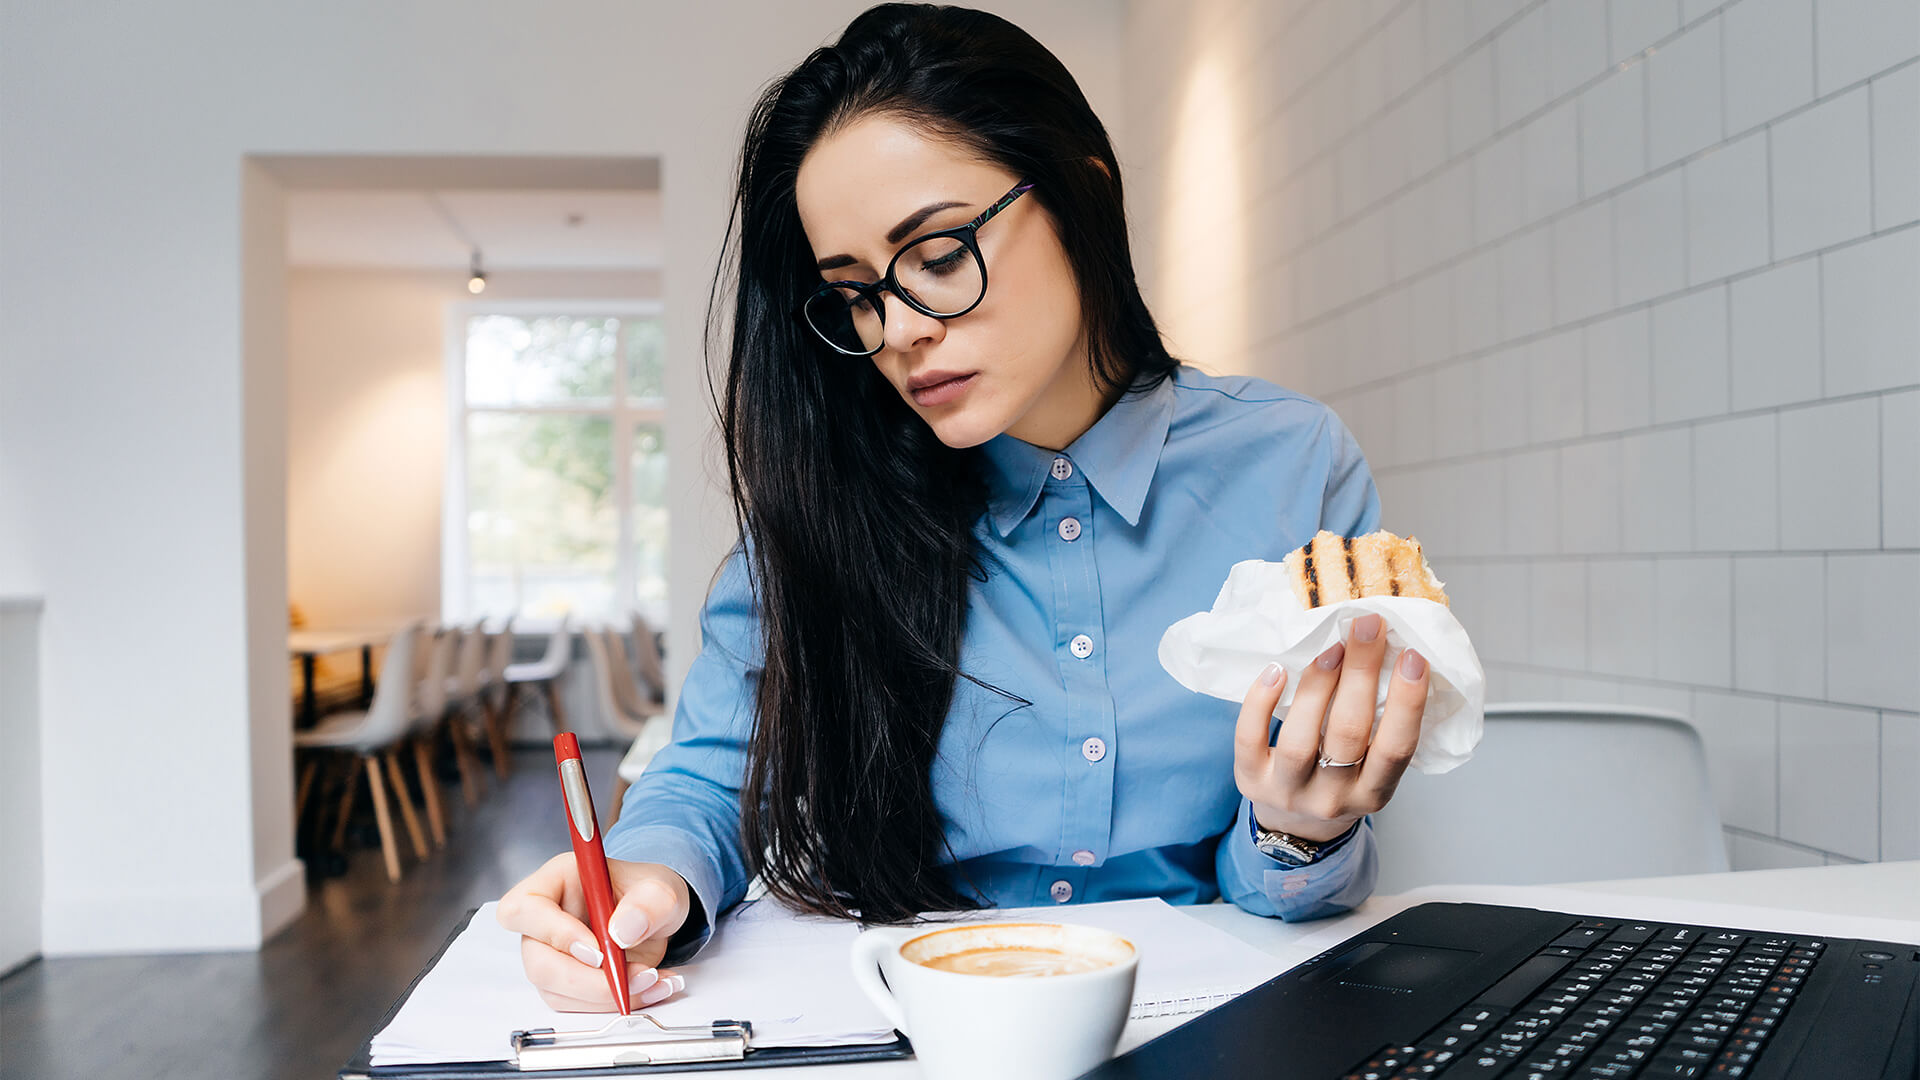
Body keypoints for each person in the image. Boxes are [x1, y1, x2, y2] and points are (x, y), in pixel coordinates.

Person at [496, 2, 1432, 1012]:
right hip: (912, 1025)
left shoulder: (1291, 466)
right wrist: (645, 883)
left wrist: (1302, 831)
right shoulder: (830, 501)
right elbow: (711, 781)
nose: (896, 330)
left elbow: (1272, 880)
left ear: (1082, 188)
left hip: (1209, 1020)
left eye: (939, 255)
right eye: (855, 292)